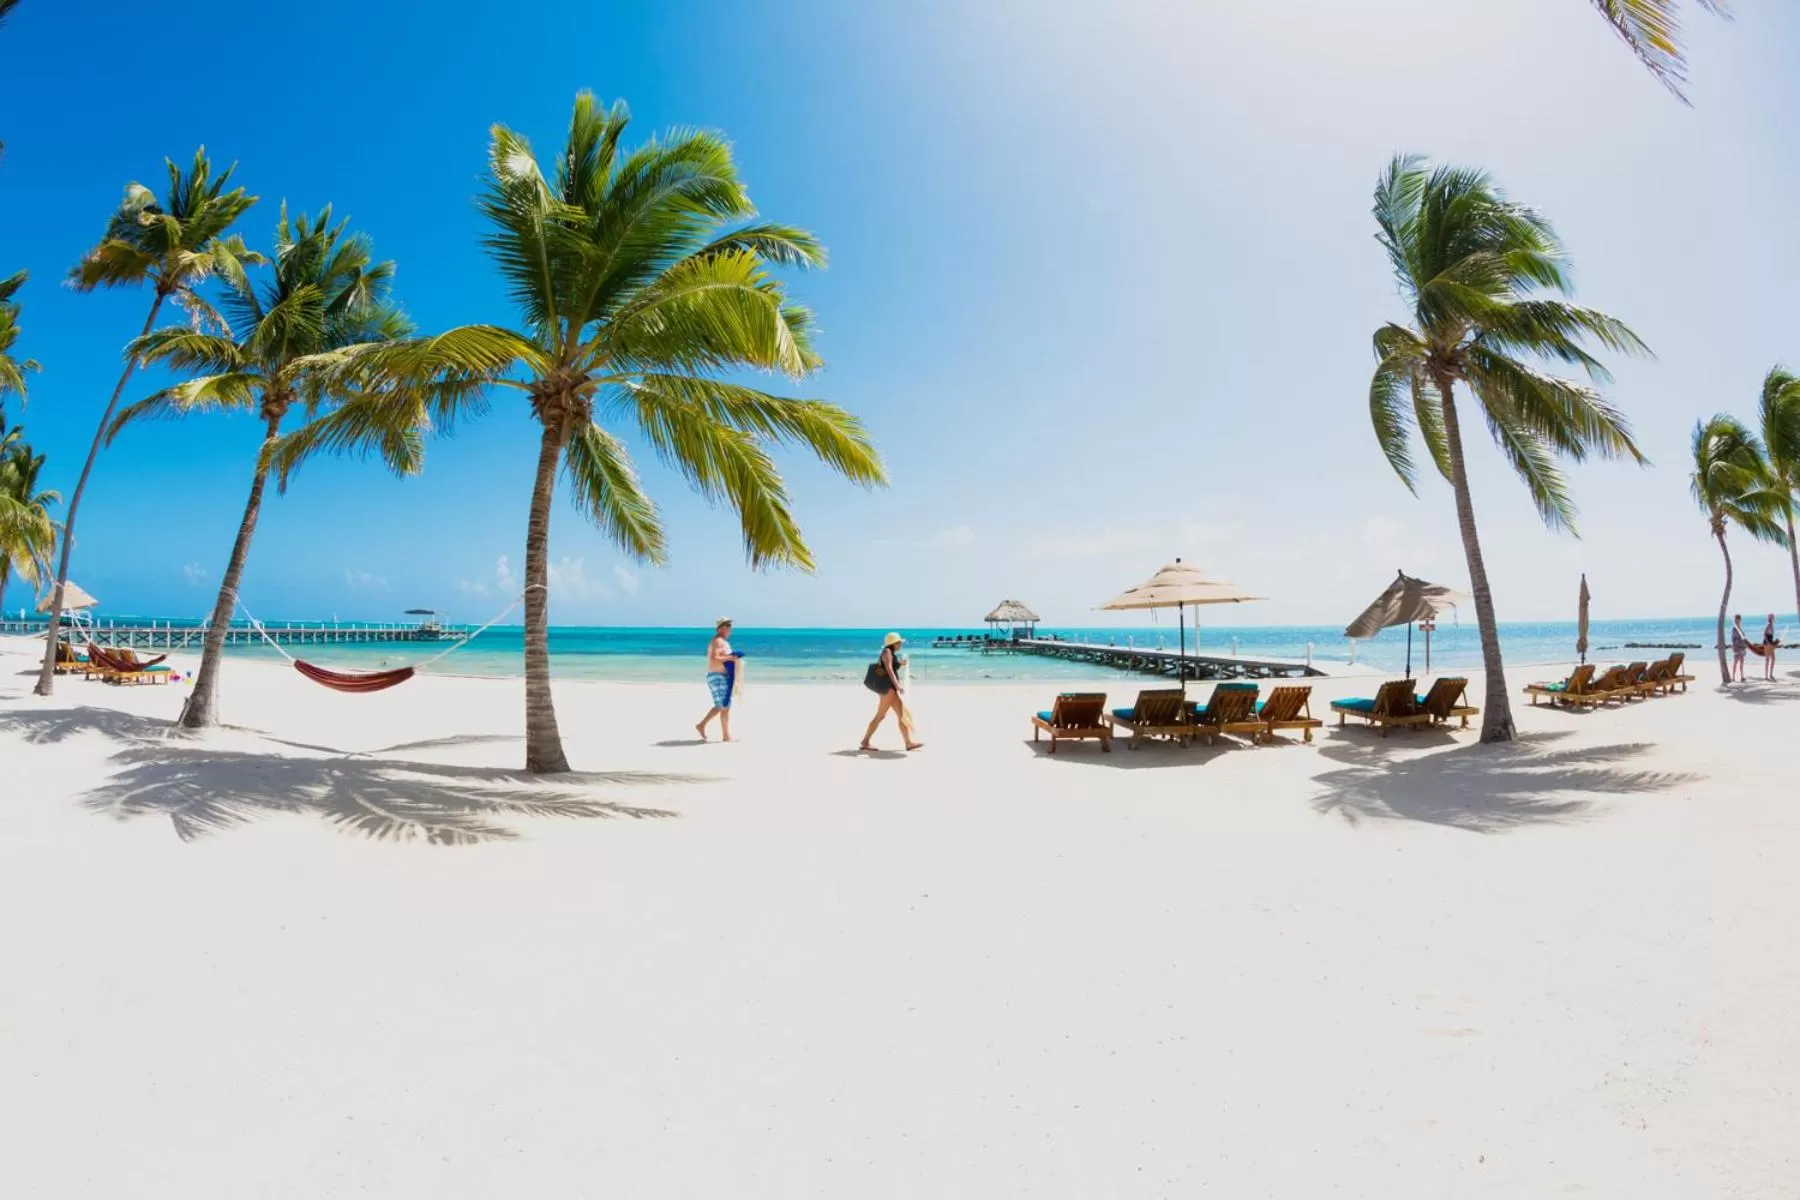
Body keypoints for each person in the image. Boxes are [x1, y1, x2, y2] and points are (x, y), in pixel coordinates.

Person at [861, 632, 923, 752]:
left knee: (901, 715)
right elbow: (889, 670)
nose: (900, 644)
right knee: (880, 716)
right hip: (889, 690)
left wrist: (900, 663)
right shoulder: (887, 652)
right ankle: (865, 742)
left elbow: (891, 667)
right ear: (894, 643)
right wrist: (897, 685)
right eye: (899, 642)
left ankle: (908, 743)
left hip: (891, 689)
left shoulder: (890, 653)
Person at [696, 618, 743, 742]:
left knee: (723, 705)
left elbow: (724, 658)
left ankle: (703, 726)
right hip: (717, 676)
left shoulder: (724, 642)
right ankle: (725, 736)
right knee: (724, 706)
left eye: (730, 625)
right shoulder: (717, 641)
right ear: (721, 628)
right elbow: (714, 658)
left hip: (722, 676)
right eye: (728, 625)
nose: (730, 628)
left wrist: (733, 658)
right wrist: (730, 657)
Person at [1730, 614, 1748, 683]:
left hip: (1742, 647)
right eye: (1736, 620)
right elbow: (1733, 639)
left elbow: (1743, 638)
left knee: (1741, 663)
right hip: (1737, 648)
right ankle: (1733, 677)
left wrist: (1745, 644)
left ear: (1740, 620)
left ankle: (1742, 676)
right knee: (1735, 662)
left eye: (1738, 620)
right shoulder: (1734, 629)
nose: (1737, 621)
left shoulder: (1740, 628)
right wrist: (1734, 647)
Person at [1764, 612, 1779, 681]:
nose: (1772, 619)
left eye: (1773, 617)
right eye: (1771, 617)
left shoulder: (1772, 625)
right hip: (1767, 644)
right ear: (1769, 619)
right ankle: (1766, 676)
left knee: (1773, 659)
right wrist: (1768, 643)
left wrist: (1775, 642)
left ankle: (1770, 675)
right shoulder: (1768, 625)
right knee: (1767, 660)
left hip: (1771, 643)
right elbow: (1764, 635)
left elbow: (1771, 636)